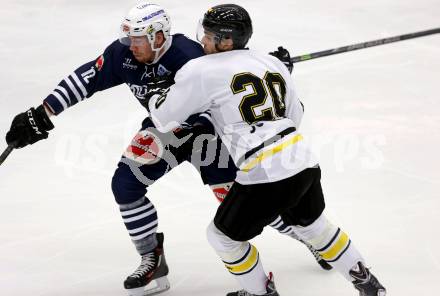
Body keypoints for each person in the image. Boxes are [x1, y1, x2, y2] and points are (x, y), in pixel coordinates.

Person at [4, 2, 330, 296]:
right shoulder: (123, 55)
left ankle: (310, 236)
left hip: (209, 133)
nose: (132, 45)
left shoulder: (191, 55)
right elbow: (85, 78)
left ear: (159, 36)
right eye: (130, 38)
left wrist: (273, 67)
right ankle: (152, 261)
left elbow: (237, 71)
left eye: (139, 39)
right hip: (165, 133)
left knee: (245, 204)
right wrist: (41, 113)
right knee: (126, 185)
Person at [146, 4, 387, 296]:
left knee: (222, 238)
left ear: (226, 41)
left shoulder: (201, 69)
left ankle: (261, 293)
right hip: (302, 161)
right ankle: (368, 283)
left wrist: (157, 92)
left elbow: (164, 116)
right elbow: (294, 116)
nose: (202, 41)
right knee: (313, 228)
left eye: (208, 36)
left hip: (263, 170)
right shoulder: (271, 64)